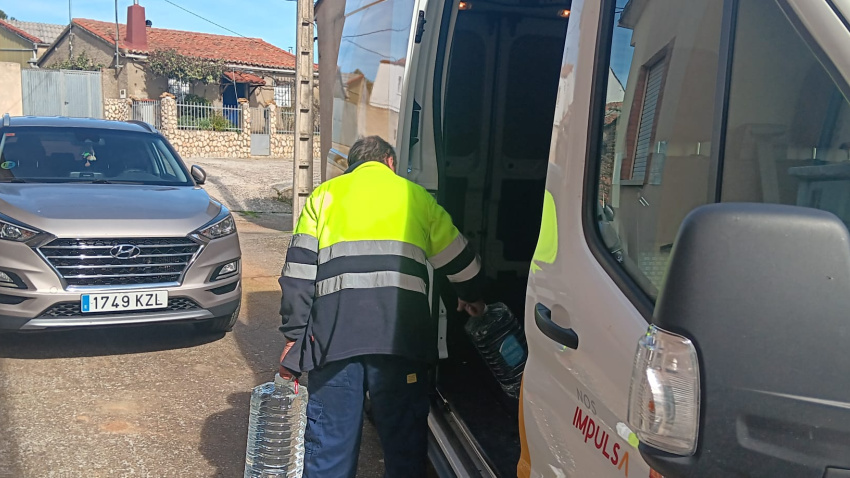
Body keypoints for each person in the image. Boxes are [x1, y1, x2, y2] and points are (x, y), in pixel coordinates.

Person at [277, 135, 486, 478]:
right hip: (401, 345)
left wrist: (294, 336)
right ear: (390, 162)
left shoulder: (323, 197)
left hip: (334, 343)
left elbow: (297, 277)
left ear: (351, 165)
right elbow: (463, 264)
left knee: (330, 449)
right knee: (403, 448)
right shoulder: (415, 196)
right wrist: (471, 295)